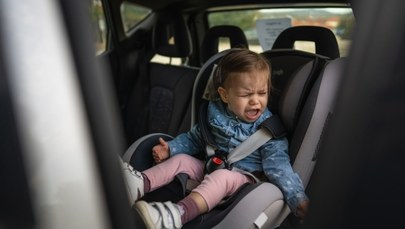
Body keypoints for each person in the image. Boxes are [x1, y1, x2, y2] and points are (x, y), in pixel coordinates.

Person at [122, 48, 309, 229]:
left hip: (244, 181)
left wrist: (296, 197)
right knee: (181, 160)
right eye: (246, 94)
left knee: (222, 177)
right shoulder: (215, 114)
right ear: (225, 95)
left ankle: (176, 215)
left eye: (262, 93)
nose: (255, 101)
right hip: (211, 167)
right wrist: (170, 148)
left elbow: (279, 168)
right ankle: (138, 184)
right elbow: (195, 138)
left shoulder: (268, 130)